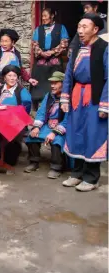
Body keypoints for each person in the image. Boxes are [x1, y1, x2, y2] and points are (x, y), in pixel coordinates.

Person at [60, 14, 108, 192]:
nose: (80, 31)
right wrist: (65, 97)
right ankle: (77, 173)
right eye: (79, 27)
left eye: (84, 27)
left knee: (93, 135)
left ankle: (91, 177)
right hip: (76, 98)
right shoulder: (78, 49)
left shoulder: (105, 49)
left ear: (95, 29)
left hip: (94, 98)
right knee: (76, 133)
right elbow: (68, 75)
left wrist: (105, 104)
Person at [25, 71, 68, 179]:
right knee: (32, 136)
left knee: (57, 141)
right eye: (51, 83)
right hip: (48, 125)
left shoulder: (68, 98)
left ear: (63, 83)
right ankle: (34, 161)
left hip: (63, 127)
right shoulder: (49, 96)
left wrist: (54, 133)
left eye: (56, 83)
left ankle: (56, 167)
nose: (52, 86)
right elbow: (41, 112)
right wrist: (36, 127)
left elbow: (68, 119)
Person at [0, 65, 32, 167]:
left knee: (12, 138)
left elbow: (26, 108)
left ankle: (8, 161)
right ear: (4, 77)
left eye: (15, 75)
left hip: (16, 122)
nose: (12, 78)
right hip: (0, 121)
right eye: (9, 75)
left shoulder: (22, 91)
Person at [30, 8, 69, 110]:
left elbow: (64, 43)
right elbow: (34, 43)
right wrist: (41, 52)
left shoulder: (61, 28)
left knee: (54, 85)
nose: (43, 18)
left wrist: (52, 52)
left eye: (45, 16)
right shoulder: (39, 29)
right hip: (40, 64)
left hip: (54, 63)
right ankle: (36, 110)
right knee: (38, 86)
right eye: (42, 16)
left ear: (52, 16)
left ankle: (54, 109)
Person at [0, 29, 39, 93]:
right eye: (2, 41)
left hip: (13, 86)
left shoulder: (16, 53)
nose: (4, 44)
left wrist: (29, 79)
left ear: (13, 42)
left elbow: (20, 69)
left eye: (6, 41)